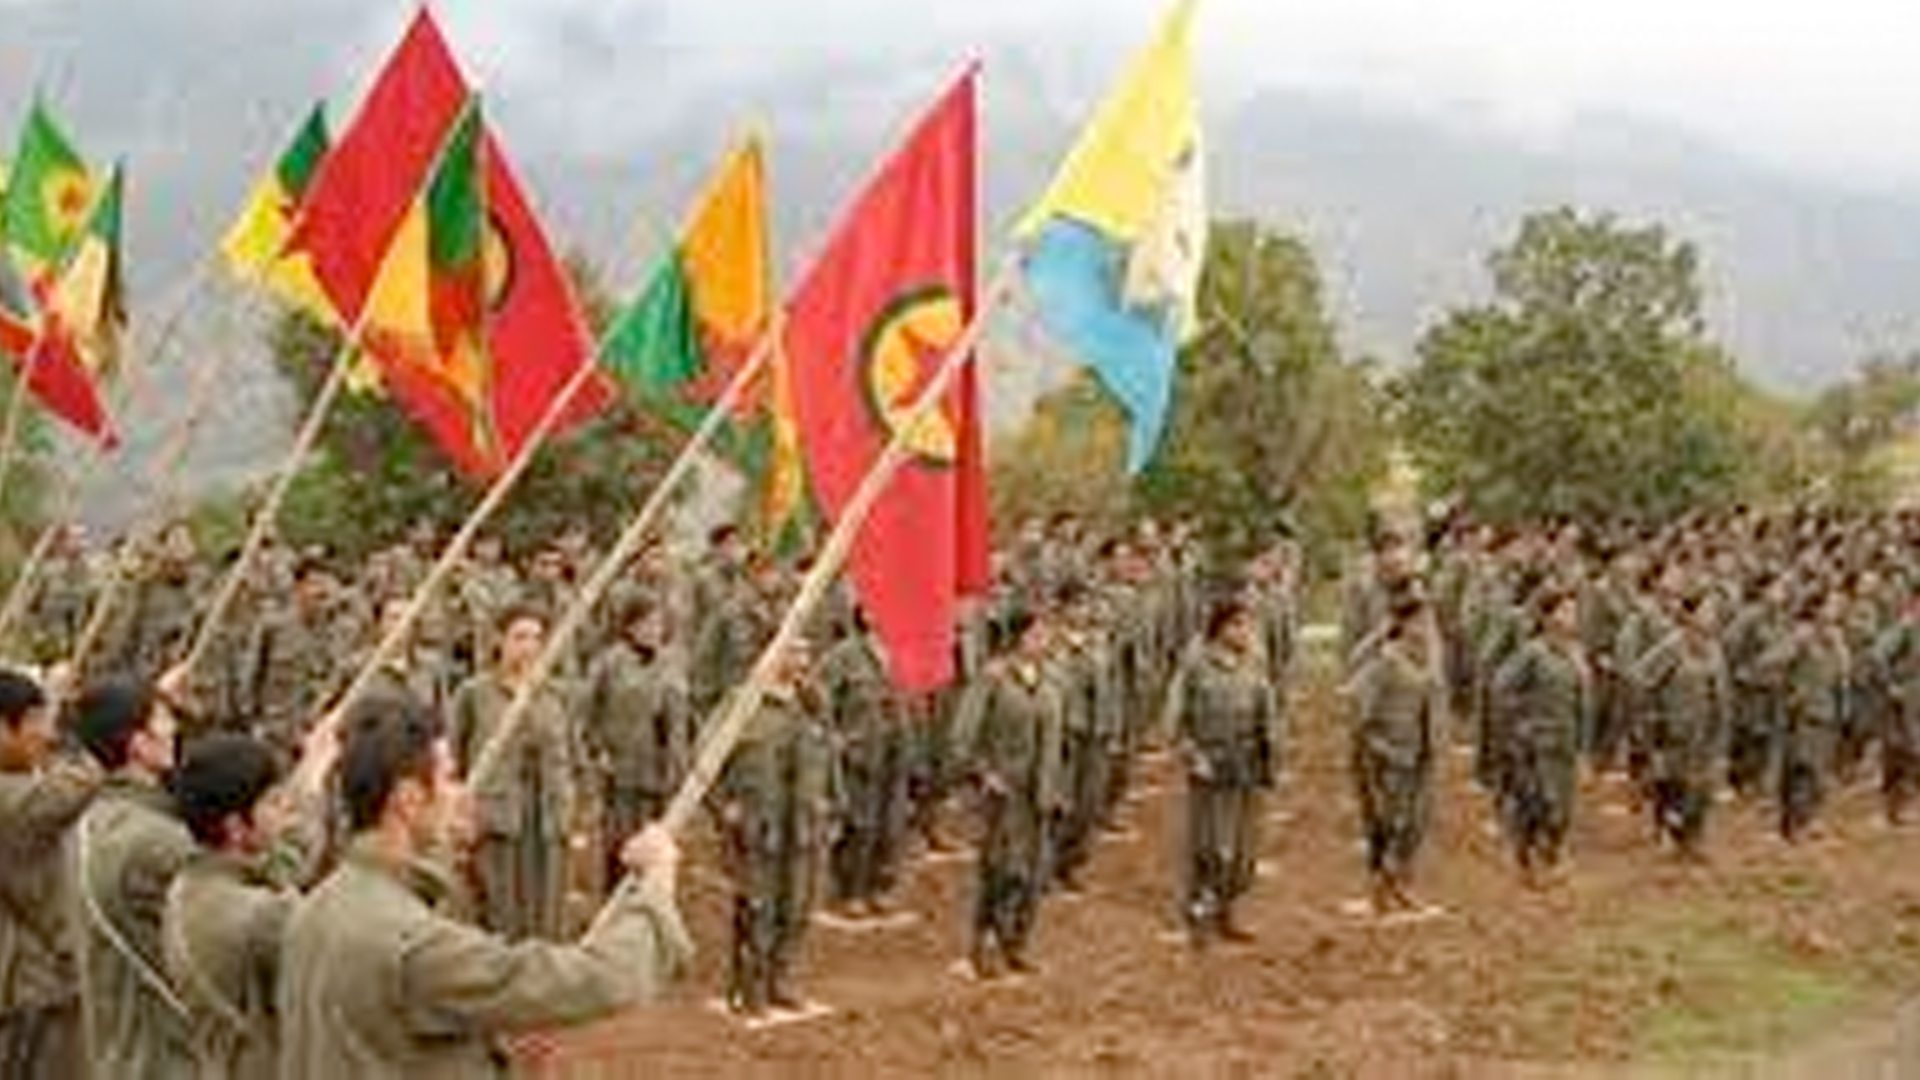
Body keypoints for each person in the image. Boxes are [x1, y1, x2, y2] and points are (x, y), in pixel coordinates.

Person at [278, 693, 689, 1078]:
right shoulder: (414, 943)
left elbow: (380, 1044)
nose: (457, 795)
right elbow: (595, 980)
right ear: (408, 799)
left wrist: (492, 1054)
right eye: (448, 778)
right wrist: (656, 883)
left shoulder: (316, 907)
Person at [163, 730, 332, 1080]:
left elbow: (285, 862)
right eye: (272, 803)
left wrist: (311, 785)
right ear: (235, 827)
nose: (283, 811)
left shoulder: (190, 885)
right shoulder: (259, 915)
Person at [70, 673, 196, 1078]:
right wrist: (309, 784)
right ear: (139, 744)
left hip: (119, 1051)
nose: (173, 728)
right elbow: (265, 878)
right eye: (163, 719)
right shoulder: (151, 840)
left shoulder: (95, 821)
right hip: (162, 1056)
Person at [716, 639, 830, 1017]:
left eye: (805, 651)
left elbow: (829, 755)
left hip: (800, 823)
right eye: (792, 650)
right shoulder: (742, 701)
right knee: (756, 906)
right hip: (758, 824)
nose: (800, 659)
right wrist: (724, 806)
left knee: (795, 904)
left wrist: (831, 803)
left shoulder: (813, 702)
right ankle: (748, 987)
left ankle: (781, 980)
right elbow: (707, 757)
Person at [0, 669, 104, 1080]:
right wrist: (65, 726)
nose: (42, 734)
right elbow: (84, 780)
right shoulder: (13, 798)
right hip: (33, 990)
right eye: (33, 722)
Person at [450, 605, 577, 941]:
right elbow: (453, 760)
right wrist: (460, 815)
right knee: (498, 913)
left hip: (546, 818)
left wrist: (568, 808)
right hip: (498, 818)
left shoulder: (556, 696)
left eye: (537, 638)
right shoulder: (474, 694)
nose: (529, 647)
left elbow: (575, 758)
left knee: (546, 913)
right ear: (500, 641)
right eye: (520, 637)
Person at [954, 606, 1063, 980]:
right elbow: (963, 735)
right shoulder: (993, 678)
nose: (1045, 641)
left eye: (1046, 635)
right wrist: (984, 773)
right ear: (1018, 638)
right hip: (1004, 794)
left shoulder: (1050, 682)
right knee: (1000, 869)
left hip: (1039, 794)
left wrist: (1054, 787)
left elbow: (1055, 743)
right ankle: (983, 947)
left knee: (1031, 873)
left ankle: (1015, 944)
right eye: (1037, 634)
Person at [1166, 596, 1280, 945]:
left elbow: (1267, 715)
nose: (1246, 632)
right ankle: (1200, 913)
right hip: (1210, 765)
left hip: (1245, 765)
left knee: (1243, 849)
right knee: (1211, 845)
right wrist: (1191, 755)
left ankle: (1227, 909)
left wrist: (1270, 763)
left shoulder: (1254, 664)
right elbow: (1176, 716)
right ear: (1221, 627)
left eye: (1248, 625)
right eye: (1239, 624)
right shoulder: (1197, 665)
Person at [582, 601, 692, 892]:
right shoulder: (609, 664)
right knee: (621, 841)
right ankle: (616, 900)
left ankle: (651, 899)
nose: (653, 631)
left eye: (658, 624)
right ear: (629, 627)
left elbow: (682, 719)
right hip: (621, 770)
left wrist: (679, 763)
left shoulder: (672, 664)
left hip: (660, 770)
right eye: (646, 624)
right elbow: (587, 712)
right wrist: (597, 750)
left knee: (656, 841)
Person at [1347, 598, 1442, 916]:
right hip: (1388, 757)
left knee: (1413, 823)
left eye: (1428, 622)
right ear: (1401, 624)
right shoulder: (1385, 661)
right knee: (1387, 823)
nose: (1425, 629)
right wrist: (1375, 750)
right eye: (1419, 622)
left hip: (1419, 753)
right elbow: (1359, 707)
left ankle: (1398, 885)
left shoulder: (1424, 659)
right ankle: (1382, 891)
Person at [1491, 587, 1590, 888]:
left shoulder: (1575, 653)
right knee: (1535, 802)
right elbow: (1501, 687)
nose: (1571, 617)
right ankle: (1528, 863)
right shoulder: (1532, 652)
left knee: (1562, 804)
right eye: (1564, 610)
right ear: (1547, 617)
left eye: (1573, 610)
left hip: (1566, 740)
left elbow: (1583, 702)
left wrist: (1583, 747)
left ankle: (1552, 856)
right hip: (1537, 744)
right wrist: (1521, 726)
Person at [1630, 593, 1732, 859]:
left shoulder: (1715, 651)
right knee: (1672, 784)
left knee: (1701, 788)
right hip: (1673, 731)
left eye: (1713, 612)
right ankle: (1667, 833)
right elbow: (1640, 679)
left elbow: (1722, 695)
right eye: (1706, 611)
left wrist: (1720, 733)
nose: (1711, 617)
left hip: (1704, 731)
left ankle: (1693, 838)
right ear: (1689, 615)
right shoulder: (1671, 647)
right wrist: (1650, 721)